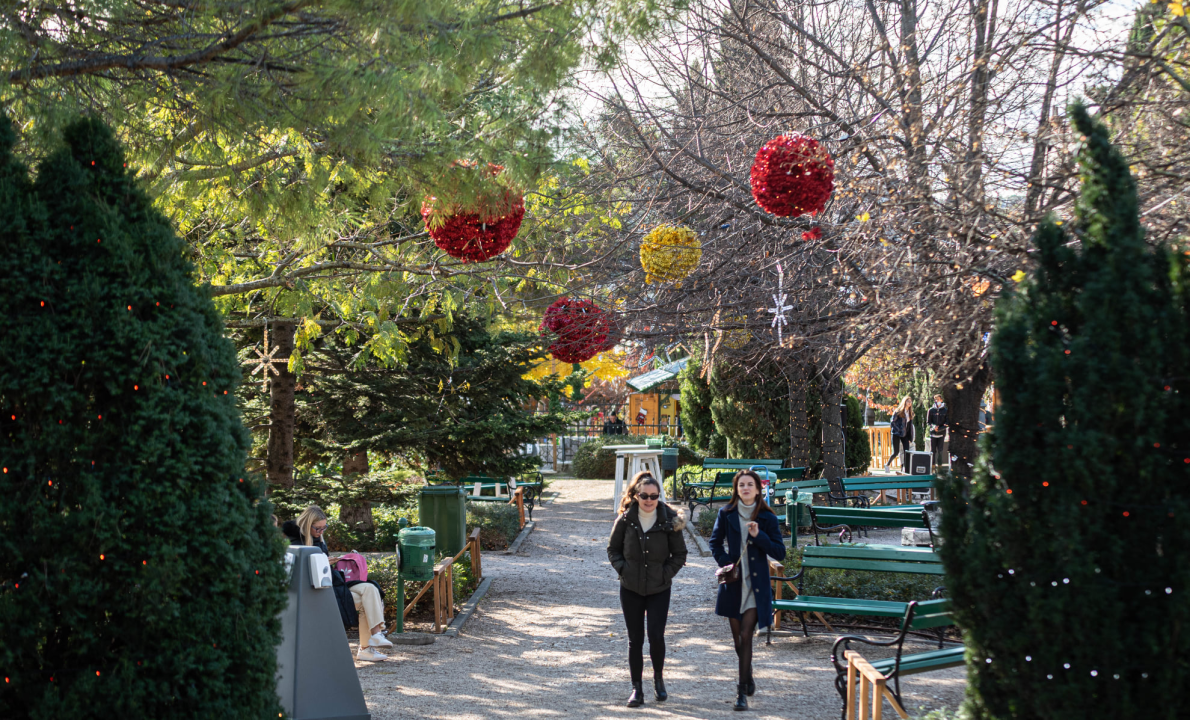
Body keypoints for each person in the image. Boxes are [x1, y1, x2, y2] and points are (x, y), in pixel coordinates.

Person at [607, 471, 688, 708]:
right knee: (635, 639)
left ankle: (658, 680)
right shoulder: (625, 520)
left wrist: (664, 574)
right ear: (636, 495)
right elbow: (613, 549)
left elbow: (680, 554)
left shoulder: (670, 520)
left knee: (656, 636)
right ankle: (636, 689)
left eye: (654, 496)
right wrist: (624, 570)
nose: (649, 500)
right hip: (630, 587)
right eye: (644, 495)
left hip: (659, 588)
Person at [709, 470, 787, 711]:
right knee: (738, 641)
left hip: (756, 585)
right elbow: (714, 543)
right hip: (733, 583)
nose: (745, 488)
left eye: (750, 484)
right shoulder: (726, 513)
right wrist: (726, 562)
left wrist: (759, 535)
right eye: (741, 485)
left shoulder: (767, 517)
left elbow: (779, 552)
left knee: (746, 636)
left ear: (758, 489)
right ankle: (748, 672)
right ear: (736, 489)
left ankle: (741, 692)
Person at [283, 505, 392, 662]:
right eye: (318, 528)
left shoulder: (318, 539)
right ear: (307, 525)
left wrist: (327, 562)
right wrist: (322, 563)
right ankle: (366, 649)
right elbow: (298, 572)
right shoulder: (294, 542)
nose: (321, 532)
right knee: (364, 602)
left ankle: (376, 635)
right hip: (315, 591)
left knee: (371, 588)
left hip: (331, 583)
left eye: (324, 528)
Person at [884, 397, 915, 471]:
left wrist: (910, 437)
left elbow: (909, 426)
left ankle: (904, 468)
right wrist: (899, 430)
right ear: (904, 402)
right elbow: (892, 422)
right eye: (908, 401)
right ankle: (887, 464)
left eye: (910, 401)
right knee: (896, 452)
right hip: (896, 433)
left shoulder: (910, 413)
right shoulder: (898, 411)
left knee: (906, 451)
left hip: (905, 434)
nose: (909, 403)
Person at [926, 395, 947, 470]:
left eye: (938, 399)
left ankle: (940, 466)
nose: (936, 401)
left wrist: (940, 429)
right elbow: (928, 422)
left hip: (941, 434)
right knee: (933, 450)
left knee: (940, 450)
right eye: (935, 399)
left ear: (941, 400)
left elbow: (947, 423)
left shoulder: (945, 410)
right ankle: (933, 466)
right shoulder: (931, 410)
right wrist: (934, 427)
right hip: (933, 433)